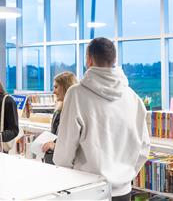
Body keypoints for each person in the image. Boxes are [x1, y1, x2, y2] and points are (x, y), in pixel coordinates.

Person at [53, 37, 150, 201]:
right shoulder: (133, 98)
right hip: (123, 192)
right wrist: (125, 175)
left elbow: (64, 153)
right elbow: (144, 147)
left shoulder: (77, 94)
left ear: (89, 59)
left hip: (87, 190)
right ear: (114, 60)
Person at [42, 71, 77, 164]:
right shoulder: (58, 111)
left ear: (66, 88)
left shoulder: (75, 113)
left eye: (56, 87)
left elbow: (74, 144)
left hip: (64, 164)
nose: (53, 91)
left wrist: (55, 146)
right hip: (52, 160)